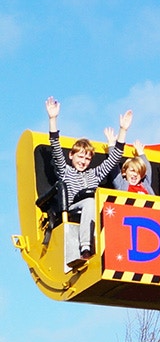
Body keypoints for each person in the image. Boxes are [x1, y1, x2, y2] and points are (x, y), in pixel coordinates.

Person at [45, 97, 132, 269]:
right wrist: (52, 119)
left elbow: (114, 158)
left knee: (104, 206)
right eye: (80, 156)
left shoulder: (94, 174)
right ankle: (86, 247)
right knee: (90, 202)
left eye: (87, 158)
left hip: (91, 208)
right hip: (72, 206)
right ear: (71, 156)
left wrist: (123, 131)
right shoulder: (66, 170)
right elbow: (55, 146)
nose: (83, 161)